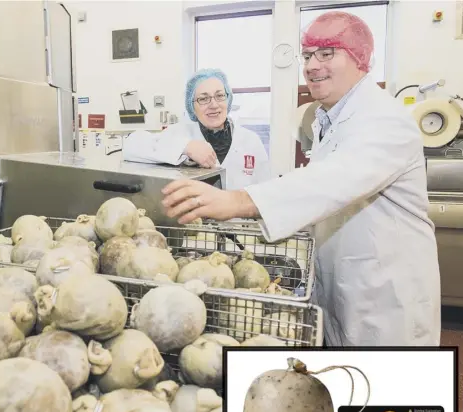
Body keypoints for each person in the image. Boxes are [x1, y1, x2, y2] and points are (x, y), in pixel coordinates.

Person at [160, 11, 441, 346]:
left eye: (327, 53)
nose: (311, 65)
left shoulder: (384, 118)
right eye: (307, 55)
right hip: (345, 283)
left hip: (384, 293)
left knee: (388, 394)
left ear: (361, 59)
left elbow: (333, 181)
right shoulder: (331, 118)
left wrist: (237, 201)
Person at [122, 68, 272, 190]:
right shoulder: (180, 133)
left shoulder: (251, 141)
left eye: (219, 96)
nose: (213, 104)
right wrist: (186, 146)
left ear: (228, 99)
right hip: (195, 223)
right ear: (192, 106)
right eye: (203, 98)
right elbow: (131, 145)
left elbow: (266, 192)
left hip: (241, 224)